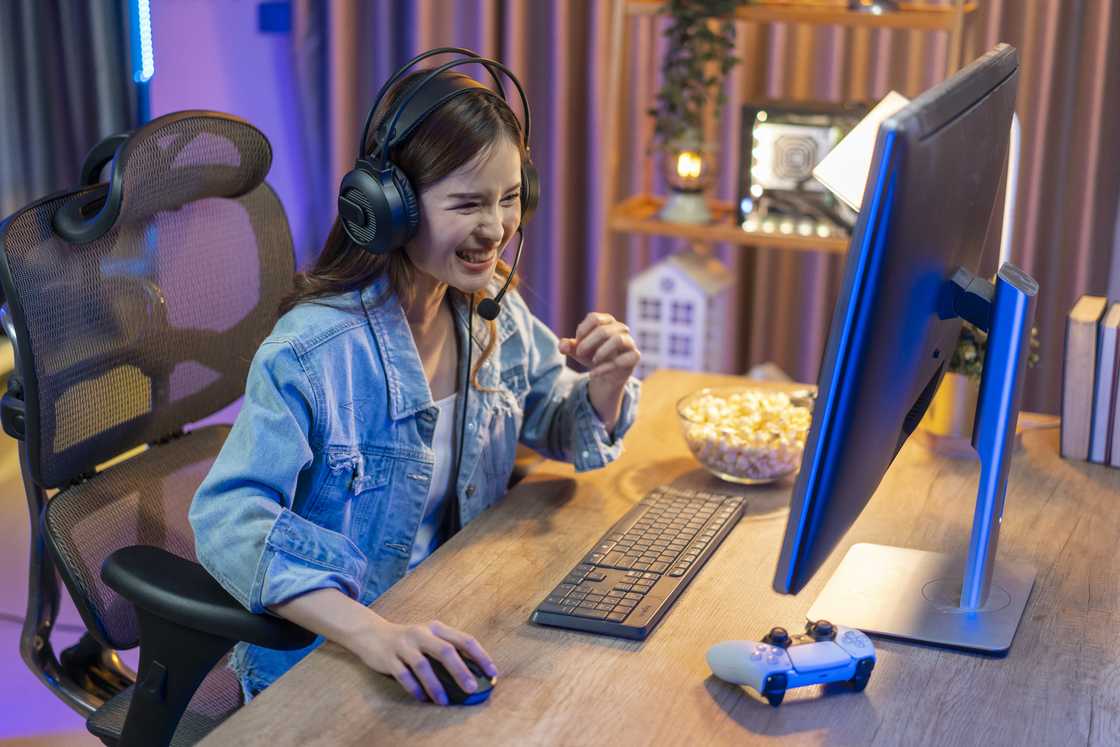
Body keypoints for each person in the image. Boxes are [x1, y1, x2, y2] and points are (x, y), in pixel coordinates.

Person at [189, 50, 641, 706]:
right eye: (468, 203)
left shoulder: (492, 314)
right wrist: (371, 632)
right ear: (390, 206)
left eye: (510, 198)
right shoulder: (314, 352)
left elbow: (557, 421)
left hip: (454, 617)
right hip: (332, 659)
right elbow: (226, 518)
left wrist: (607, 383)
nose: (496, 228)